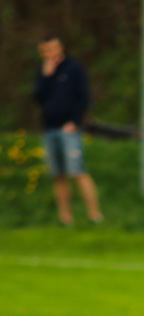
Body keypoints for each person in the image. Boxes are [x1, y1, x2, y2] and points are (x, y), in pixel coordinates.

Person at [34, 36, 102, 226]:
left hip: (69, 128)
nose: (50, 53)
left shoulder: (73, 68)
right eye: (46, 50)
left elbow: (84, 97)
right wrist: (47, 75)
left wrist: (74, 122)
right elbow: (39, 98)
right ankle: (66, 218)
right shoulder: (43, 73)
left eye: (53, 48)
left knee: (77, 171)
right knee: (58, 175)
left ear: (60, 48)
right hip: (49, 128)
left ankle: (95, 216)